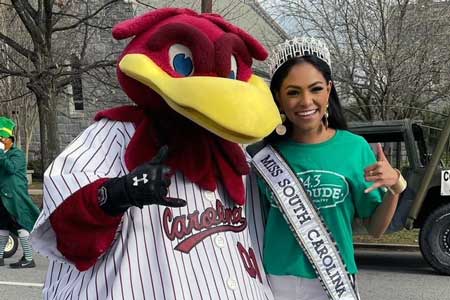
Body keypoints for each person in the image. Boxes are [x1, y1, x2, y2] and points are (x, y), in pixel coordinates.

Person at [31, 8, 279, 299]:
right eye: (184, 62)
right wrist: (116, 194)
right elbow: (63, 229)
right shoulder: (114, 135)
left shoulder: (234, 149)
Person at [253, 37, 407, 300]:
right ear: (278, 98)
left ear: (329, 90)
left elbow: (375, 229)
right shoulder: (263, 156)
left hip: (334, 281)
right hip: (275, 281)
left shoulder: (355, 148)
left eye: (315, 89)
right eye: (293, 92)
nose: (306, 101)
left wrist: (395, 185)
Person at [0, 116, 40, 268]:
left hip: (14, 196)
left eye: (2, 138)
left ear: (9, 139)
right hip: (2, 196)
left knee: (20, 224)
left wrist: (1, 153)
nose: (1, 141)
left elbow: (11, 169)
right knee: (2, 226)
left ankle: (29, 259)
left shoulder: (17, 154)